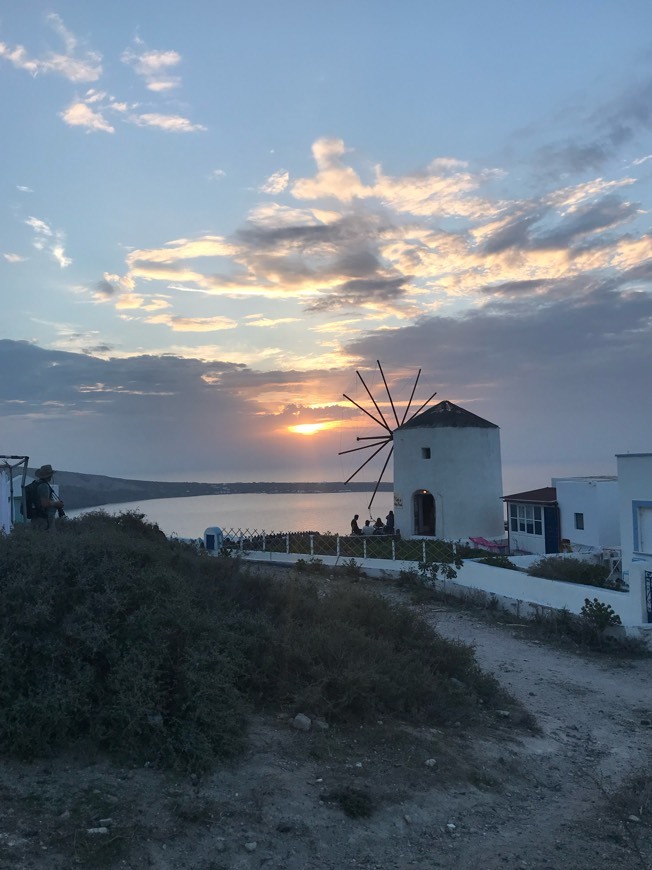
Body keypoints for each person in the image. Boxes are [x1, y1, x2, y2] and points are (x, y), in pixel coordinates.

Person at [32, 464, 65, 532]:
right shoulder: (44, 486)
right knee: (50, 539)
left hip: (36, 517)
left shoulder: (35, 483)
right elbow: (45, 503)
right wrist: (57, 504)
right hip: (46, 519)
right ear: (50, 475)